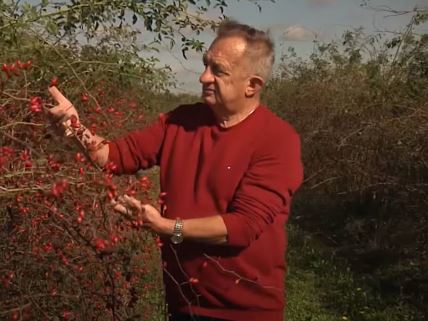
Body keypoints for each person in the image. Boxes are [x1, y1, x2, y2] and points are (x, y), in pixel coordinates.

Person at [48, 20, 303, 321]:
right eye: (206, 64)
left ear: (252, 85)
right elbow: (113, 155)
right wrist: (75, 126)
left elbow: (242, 227)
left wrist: (168, 228)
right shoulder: (181, 121)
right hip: (183, 302)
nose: (203, 76)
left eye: (218, 70)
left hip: (243, 311)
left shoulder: (277, 140)